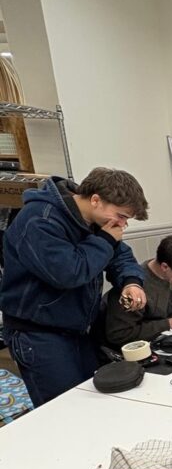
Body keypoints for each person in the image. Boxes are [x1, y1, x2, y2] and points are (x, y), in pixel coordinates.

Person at [0, 168, 148, 407]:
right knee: (62, 410)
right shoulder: (40, 220)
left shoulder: (98, 222)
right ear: (96, 200)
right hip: (38, 333)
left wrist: (131, 282)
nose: (122, 224)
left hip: (76, 329)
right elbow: (69, 273)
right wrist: (106, 241)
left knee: (91, 400)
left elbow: (120, 256)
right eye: (121, 216)